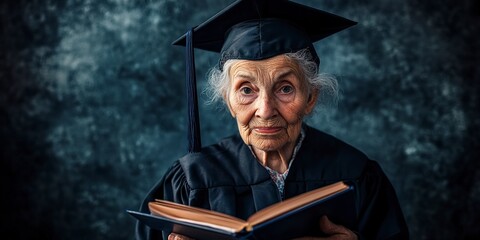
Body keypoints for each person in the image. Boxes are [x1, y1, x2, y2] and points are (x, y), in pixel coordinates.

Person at [135, 0, 409, 239]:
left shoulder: (357, 175)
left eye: (285, 88)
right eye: (246, 90)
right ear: (228, 101)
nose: (265, 110)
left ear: (310, 98)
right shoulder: (190, 181)